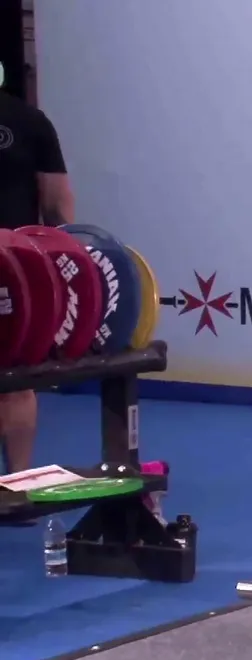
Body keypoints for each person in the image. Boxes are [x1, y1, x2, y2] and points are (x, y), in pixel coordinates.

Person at [0, 60, 76, 477]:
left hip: (17, 272)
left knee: (17, 379)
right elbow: (57, 205)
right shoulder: (31, 121)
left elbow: (57, 205)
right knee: (17, 379)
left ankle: (15, 482)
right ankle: (16, 482)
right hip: (18, 272)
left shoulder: (31, 122)